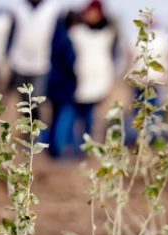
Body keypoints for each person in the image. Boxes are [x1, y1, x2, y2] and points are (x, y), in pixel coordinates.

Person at [69, 0, 118, 154]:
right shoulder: (76, 32)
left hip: (98, 79)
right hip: (79, 79)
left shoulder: (107, 33)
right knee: (75, 115)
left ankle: (86, 146)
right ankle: (74, 147)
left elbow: (111, 56)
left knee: (90, 115)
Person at [7, 0, 61, 116]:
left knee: (37, 100)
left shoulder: (53, 10)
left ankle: (39, 130)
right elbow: (11, 34)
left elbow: (59, 38)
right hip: (20, 63)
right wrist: (8, 56)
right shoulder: (20, 9)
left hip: (42, 64)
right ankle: (28, 130)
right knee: (24, 102)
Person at [46, 10, 80, 158]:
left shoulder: (56, 37)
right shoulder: (66, 40)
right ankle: (60, 150)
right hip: (64, 86)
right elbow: (69, 62)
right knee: (64, 119)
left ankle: (54, 149)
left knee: (55, 118)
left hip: (54, 84)